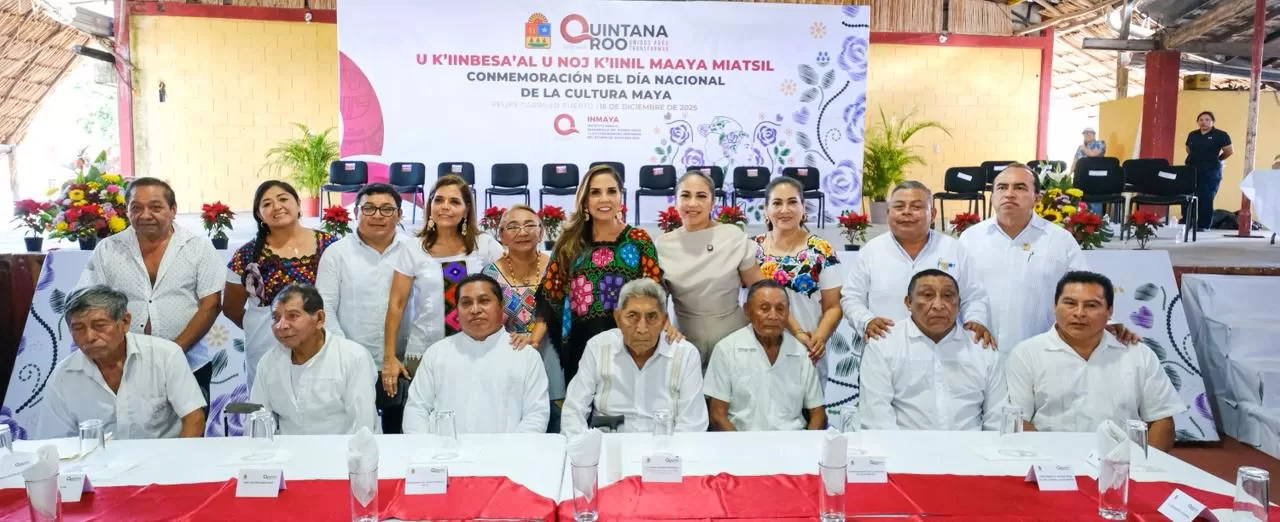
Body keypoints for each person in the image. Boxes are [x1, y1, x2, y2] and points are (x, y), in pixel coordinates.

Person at [76, 177, 223, 403]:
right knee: (128, 433)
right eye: (136, 208)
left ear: (173, 210)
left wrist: (172, 353)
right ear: (127, 211)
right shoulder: (108, 249)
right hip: (123, 368)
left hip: (188, 363)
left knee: (190, 433)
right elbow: (88, 302)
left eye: (155, 207)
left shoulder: (198, 247)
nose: (145, 215)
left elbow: (210, 304)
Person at [1005, 271, 1185, 451]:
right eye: (1070, 303)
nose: (1079, 313)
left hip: (1121, 466)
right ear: (1055, 306)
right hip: (1051, 466)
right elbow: (1020, 420)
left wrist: (1142, 468)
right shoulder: (1027, 354)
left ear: (1110, 311)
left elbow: (1162, 420)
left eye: (1091, 305)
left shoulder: (1138, 355)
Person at [536, 165, 665, 384]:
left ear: (620, 196)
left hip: (630, 344)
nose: (604, 199)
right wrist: (533, 339)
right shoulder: (569, 242)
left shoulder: (638, 239)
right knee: (582, 411)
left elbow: (653, 293)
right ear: (585, 200)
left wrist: (665, 325)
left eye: (611, 191)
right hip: (581, 345)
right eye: (595, 192)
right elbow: (552, 292)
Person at [382, 175, 503, 400]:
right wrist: (389, 357)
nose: (445, 207)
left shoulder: (484, 245)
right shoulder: (413, 248)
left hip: (479, 350)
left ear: (467, 210)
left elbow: (509, 285)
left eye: (454, 202)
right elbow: (396, 305)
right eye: (439, 200)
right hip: (425, 351)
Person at [840, 180, 993, 346]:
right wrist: (867, 321)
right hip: (885, 350)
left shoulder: (954, 249)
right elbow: (851, 297)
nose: (906, 212)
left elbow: (973, 296)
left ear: (933, 214)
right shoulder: (871, 251)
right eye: (899, 207)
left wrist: (974, 320)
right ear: (888, 213)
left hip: (945, 353)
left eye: (916, 207)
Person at [41, 286, 206, 439]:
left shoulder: (166, 355)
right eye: (78, 328)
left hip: (160, 462)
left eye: (99, 326)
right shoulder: (63, 376)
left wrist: (177, 463)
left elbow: (194, 419)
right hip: (98, 465)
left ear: (125, 322)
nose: (89, 337)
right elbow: (55, 440)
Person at [314, 183, 411, 433]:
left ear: (399, 215)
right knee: (356, 436)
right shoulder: (337, 253)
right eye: (369, 208)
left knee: (400, 435)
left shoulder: (413, 251)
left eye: (387, 209)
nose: (377, 215)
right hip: (349, 364)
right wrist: (348, 356)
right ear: (356, 212)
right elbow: (325, 308)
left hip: (401, 364)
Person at [959, 164, 1087, 352]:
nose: (1009, 194)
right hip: (981, 350)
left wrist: (1108, 325)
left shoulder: (1060, 240)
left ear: (1037, 197)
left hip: (1042, 352)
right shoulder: (971, 238)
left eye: (1019, 187)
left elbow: (1084, 291)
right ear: (993, 196)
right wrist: (973, 320)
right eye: (1002, 187)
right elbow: (959, 291)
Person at [858, 270, 1006, 431]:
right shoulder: (884, 344)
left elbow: (998, 420)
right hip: (903, 452)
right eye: (928, 295)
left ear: (959, 303)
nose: (938, 305)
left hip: (971, 452)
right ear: (908, 302)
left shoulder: (981, 348)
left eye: (948, 296)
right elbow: (877, 420)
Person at [403, 274, 550, 434]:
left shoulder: (525, 355)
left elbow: (536, 415)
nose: (475, 310)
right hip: (445, 454)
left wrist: (510, 454)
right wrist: (429, 451)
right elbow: (416, 409)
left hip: (507, 455)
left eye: (484, 301)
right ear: (457, 310)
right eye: (466, 303)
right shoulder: (437, 353)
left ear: (501, 306)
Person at [225, 180, 337, 389]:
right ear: (259, 215)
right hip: (267, 347)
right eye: (267, 204)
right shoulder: (247, 255)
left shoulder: (329, 245)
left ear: (297, 203)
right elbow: (231, 307)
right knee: (269, 408)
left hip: (320, 346)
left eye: (283, 199)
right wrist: (272, 327)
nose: (277, 207)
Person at [561, 279, 707, 436]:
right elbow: (573, 411)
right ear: (617, 318)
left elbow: (692, 425)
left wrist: (668, 455)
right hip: (609, 450)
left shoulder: (685, 355)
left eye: (651, 317)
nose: (642, 328)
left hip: (664, 451)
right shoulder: (598, 348)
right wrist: (584, 452)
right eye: (632, 316)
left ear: (664, 321)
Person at [657, 170, 764, 367]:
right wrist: (666, 327)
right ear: (675, 200)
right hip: (684, 344)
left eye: (701, 196)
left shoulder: (732, 236)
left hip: (734, 340)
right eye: (685, 195)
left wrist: (778, 331)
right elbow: (655, 300)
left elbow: (760, 289)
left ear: (713, 202)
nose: (692, 203)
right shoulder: (663, 245)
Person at [249, 284, 377, 435]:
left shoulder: (353, 357)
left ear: (320, 319)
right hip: (287, 455)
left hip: (340, 454)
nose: (281, 326)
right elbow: (258, 423)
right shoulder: (268, 363)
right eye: (276, 318)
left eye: (293, 316)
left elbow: (363, 426)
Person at [480, 204, 565, 431]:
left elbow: (559, 311)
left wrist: (533, 338)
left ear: (542, 232)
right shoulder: (489, 275)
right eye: (513, 226)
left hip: (553, 356)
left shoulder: (557, 268)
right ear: (502, 236)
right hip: (510, 357)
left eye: (530, 225)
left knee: (557, 428)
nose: (522, 232)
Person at [753, 176, 843, 379]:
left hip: (807, 350)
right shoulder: (752, 249)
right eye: (777, 203)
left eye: (792, 202)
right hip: (758, 350)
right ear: (766, 211)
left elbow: (834, 306)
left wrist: (819, 338)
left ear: (804, 208)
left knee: (808, 409)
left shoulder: (821, 249)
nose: (785, 210)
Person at [704, 280, 825, 431]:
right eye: (764, 308)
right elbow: (717, 415)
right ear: (747, 310)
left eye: (780, 309)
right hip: (742, 444)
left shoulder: (801, 352)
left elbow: (817, 413)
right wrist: (740, 450)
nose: (773, 316)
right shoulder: (726, 350)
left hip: (793, 445)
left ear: (788, 313)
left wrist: (808, 448)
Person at [1185, 111, 1233, 231]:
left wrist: (1218, 160)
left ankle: (1203, 225)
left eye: (1207, 120)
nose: (1204, 122)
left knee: (1206, 197)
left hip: (1211, 170)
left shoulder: (1221, 135)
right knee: (1188, 195)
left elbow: (1229, 151)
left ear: (1213, 122)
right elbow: (1188, 149)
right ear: (1198, 122)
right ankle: (1186, 222)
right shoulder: (1193, 134)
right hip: (1192, 169)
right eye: (1201, 120)